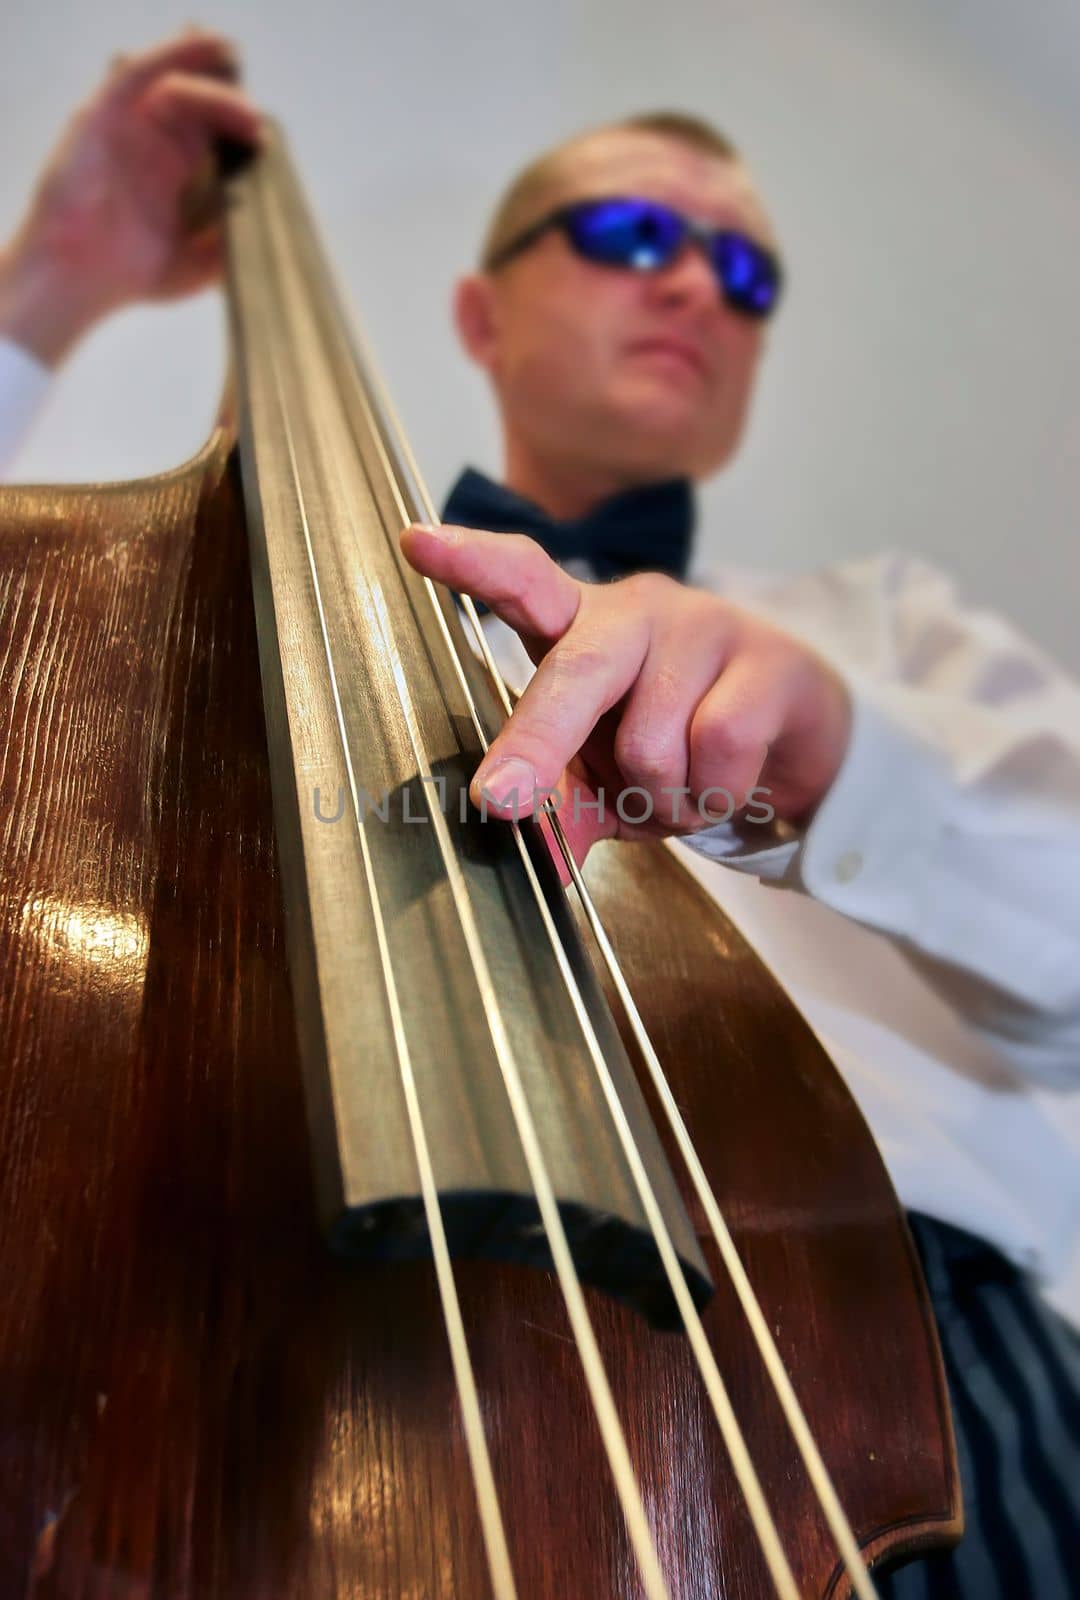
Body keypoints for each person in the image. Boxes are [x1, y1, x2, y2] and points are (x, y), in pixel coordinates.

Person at [1, 34, 1077, 1596]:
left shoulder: (890, 628)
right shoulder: (174, 606)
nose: (698, 286)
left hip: (905, 1396)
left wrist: (839, 751)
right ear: (481, 314)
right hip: (260, 1368)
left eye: (747, 276)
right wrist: (47, 293)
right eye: (636, 235)